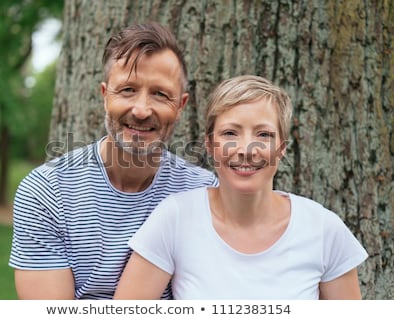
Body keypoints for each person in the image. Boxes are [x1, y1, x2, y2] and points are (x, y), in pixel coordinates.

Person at [9, 21, 218, 300]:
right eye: (128, 90)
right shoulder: (46, 191)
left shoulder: (204, 193)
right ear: (105, 95)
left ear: (180, 106)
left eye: (160, 94)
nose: (142, 110)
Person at [114, 75, 368, 300]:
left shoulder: (324, 229)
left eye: (263, 135)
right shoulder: (176, 218)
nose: (246, 150)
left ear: (282, 148)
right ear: (210, 146)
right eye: (230, 134)